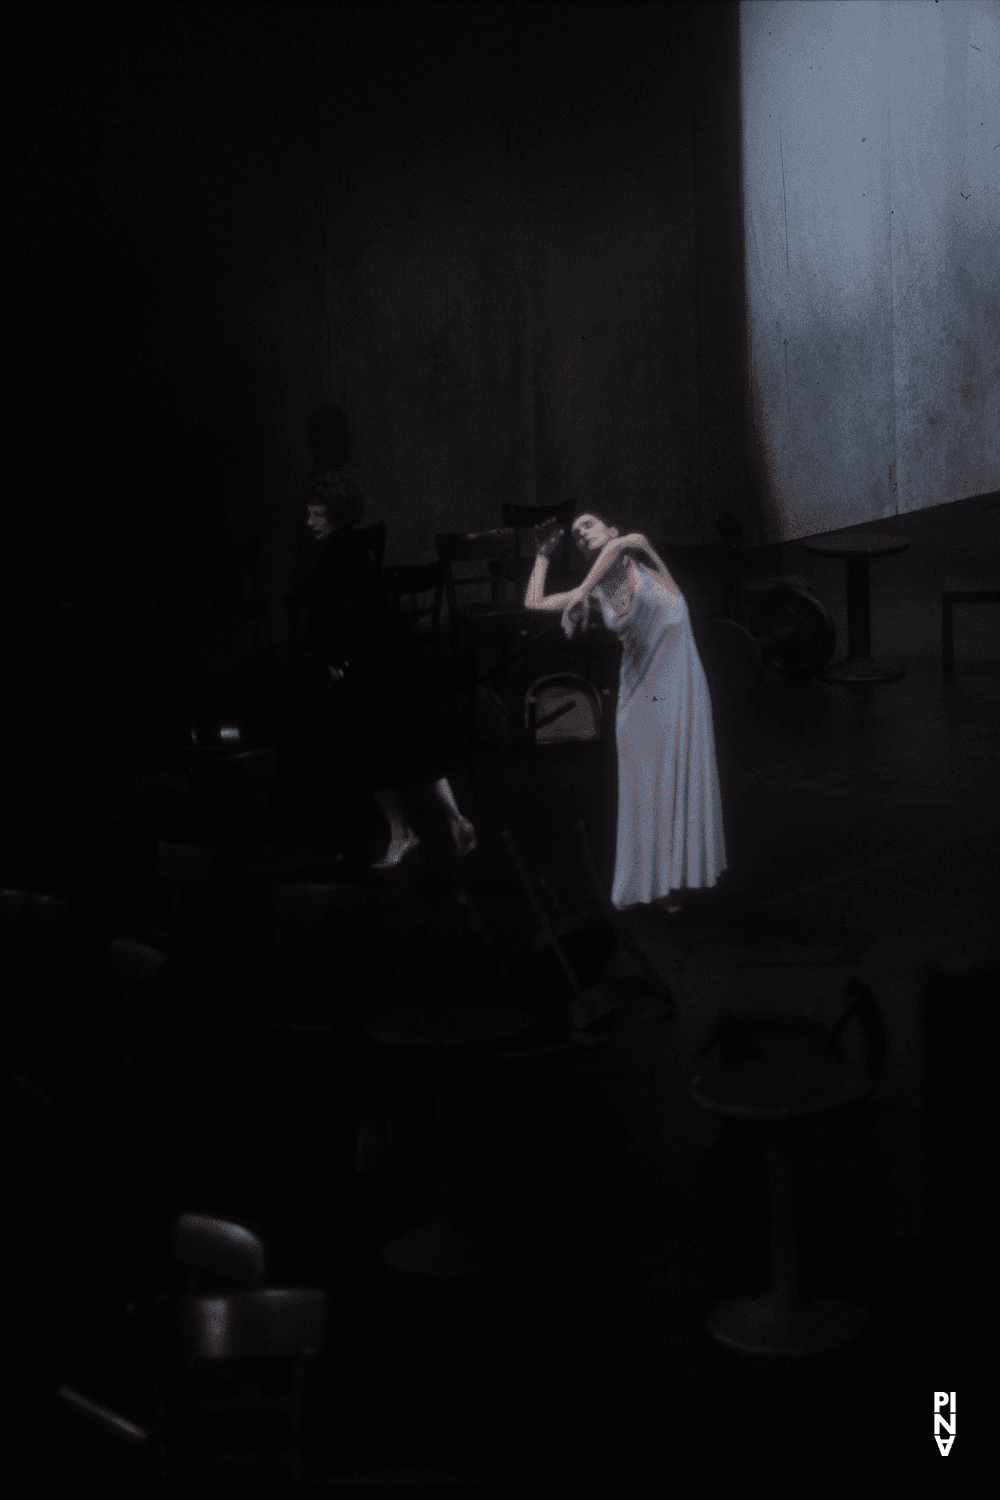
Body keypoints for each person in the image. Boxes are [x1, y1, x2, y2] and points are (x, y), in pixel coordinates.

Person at [303, 405, 477, 869]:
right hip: (390, 669)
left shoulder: (336, 559)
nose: (309, 522)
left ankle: (402, 833)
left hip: (368, 675)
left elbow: (344, 620)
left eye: (316, 514)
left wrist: (337, 662)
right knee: (415, 753)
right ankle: (452, 817)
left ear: (334, 515)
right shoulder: (353, 554)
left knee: (369, 758)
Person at [524, 513, 726, 910]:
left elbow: (620, 546)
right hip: (639, 697)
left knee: (678, 778)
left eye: (589, 525)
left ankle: (677, 877)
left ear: (610, 530)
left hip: (681, 685)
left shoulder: (640, 550)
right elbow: (533, 602)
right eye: (578, 533)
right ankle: (652, 884)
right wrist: (543, 557)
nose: (582, 532)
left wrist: (581, 591)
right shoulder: (598, 594)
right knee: (646, 791)